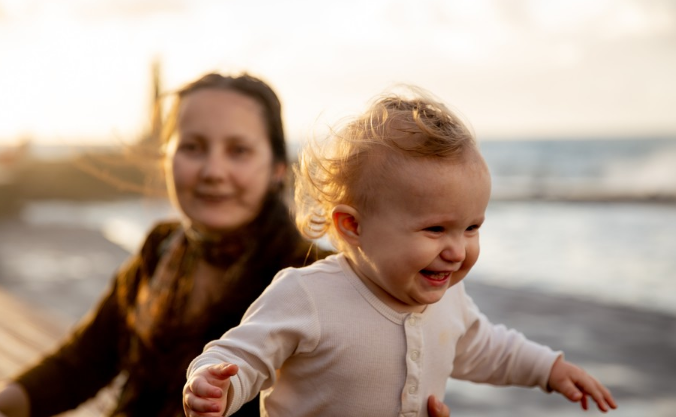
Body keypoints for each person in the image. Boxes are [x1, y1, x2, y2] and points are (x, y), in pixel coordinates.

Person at [182, 87, 618, 417]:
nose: (456, 249)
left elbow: (487, 348)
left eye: (472, 228)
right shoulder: (308, 295)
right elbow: (243, 354)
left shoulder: (449, 301)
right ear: (352, 226)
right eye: (435, 229)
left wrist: (549, 370)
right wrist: (214, 385)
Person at [0, 72, 336, 417]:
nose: (213, 170)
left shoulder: (315, 277)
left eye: (239, 150)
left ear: (277, 168)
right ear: (166, 158)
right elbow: (84, 362)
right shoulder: (162, 248)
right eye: (193, 147)